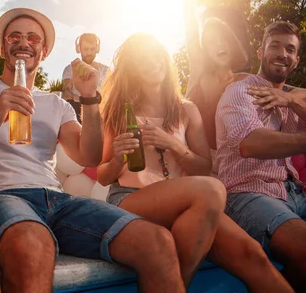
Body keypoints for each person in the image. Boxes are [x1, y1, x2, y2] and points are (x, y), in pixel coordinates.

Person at [0, 7, 188, 293]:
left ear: (44, 51)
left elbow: (90, 156)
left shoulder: (56, 104)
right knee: (33, 243)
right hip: (1, 197)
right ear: (2, 46)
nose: (24, 43)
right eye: (15, 37)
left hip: (59, 201)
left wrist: (89, 99)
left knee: (156, 241)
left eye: (33, 38)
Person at [98, 33, 291, 291]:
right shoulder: (119, 111)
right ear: (131, 66)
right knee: (211, 190)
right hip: (132, 198)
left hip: (189, 205)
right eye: (142, 57)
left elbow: (203, 167)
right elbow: (102, 176)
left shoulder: (186, 109)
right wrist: (118, 158)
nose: (152, 61)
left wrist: (174, 145)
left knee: (251, 254)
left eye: (156, 54)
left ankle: (174, 284)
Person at [216, 21, 306, 289]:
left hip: (294, 193)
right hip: (248, 194)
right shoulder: (240, 90)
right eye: (275, 46)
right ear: (261, 52)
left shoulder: (291, 100)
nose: (282, 54)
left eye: (290, 49)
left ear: (296, 60)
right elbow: (250, 144)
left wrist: (290, 99)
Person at [167, 0, 251, 172]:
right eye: (211, 40)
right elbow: (188, 15)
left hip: (231, 166)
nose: (218, 45)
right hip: (187, 161)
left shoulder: (245, 81)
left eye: (223, 39)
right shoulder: (199, 68)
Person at [62, 33, 110, 122]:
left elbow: (110, 95)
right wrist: (89, 101)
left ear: (97, 49)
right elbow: (66, 94)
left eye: (92, 49)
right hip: (77, 113)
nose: (89, 53)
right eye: (86, 49)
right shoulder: (69, 70)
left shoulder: (106, 70)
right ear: (79, 49)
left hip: (101, 113)